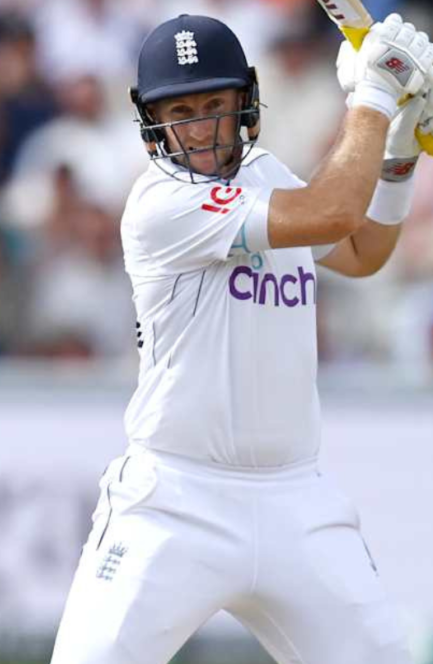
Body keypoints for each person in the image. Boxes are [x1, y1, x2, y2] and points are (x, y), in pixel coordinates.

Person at [49, 13, 433, 664]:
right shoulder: (159, 204)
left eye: (215, 105)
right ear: (150, 121)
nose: (199, 128)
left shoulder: (269, 177)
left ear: (246, 103)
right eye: (182, 111)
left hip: (297, 501)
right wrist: (373, 95)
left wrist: (396, 141)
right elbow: (331, 211)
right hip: (175, 501)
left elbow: (365, 247)